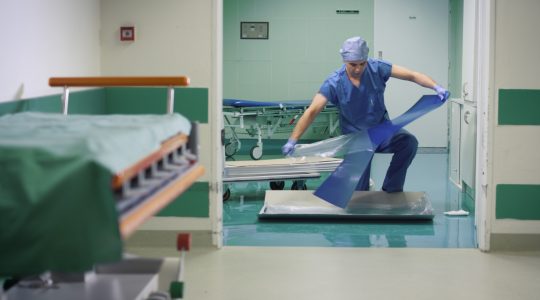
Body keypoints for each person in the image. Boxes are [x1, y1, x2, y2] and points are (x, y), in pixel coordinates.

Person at [282, 36, 449, 192]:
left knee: (409, 143)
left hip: (382, 132)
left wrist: (436, 87)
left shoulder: (377, 68)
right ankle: (361, 190)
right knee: (358, 193)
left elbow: (412, 75)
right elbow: (312, 111)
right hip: (357, 139)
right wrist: (293, 140)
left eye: (362, 64)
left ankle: (391, 190)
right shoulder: (334, 82)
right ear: (345, 61)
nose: (358, 68)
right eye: (353, 64)